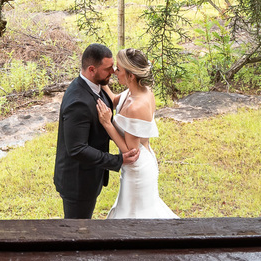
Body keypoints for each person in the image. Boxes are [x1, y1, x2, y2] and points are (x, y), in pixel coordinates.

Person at [53, 43, 139, 218]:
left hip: (90, 177)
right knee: (78, 230)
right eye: (108, 68)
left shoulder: (96, 86)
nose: (113, 72)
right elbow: (77, 149)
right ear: (92, 69)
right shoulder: (78, 102)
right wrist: (118, 160)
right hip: (77, 184)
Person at [96, 47, 178, 219]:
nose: (114, 72)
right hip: (136, 164)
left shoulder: (136, 107)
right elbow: (114, 100)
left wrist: (107, 123)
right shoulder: (134, 91)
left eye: (119, 69)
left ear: (131, 76)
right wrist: (100, 79)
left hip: (137, 168)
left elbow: (130, 151)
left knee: (134, 217)